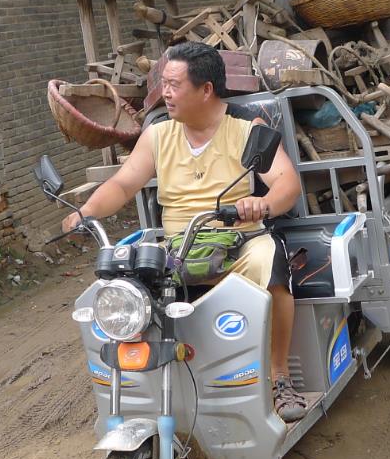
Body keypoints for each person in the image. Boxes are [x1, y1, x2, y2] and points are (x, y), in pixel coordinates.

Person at [62, 42, 308, 420]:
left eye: (174, 85)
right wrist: (87, 211)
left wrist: (263, 203)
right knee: (125, 287)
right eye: (163, 84)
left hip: (238, 240)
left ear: (206, 89)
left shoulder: (246, 127)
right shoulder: (159, 134)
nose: (166, 93)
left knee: (268, 260)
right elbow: (124, 184)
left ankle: (279, 376)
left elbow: (286, 184)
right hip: (178, 246)